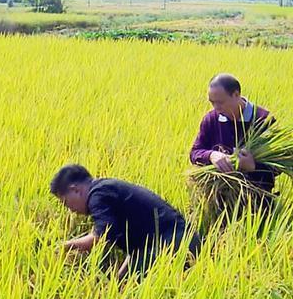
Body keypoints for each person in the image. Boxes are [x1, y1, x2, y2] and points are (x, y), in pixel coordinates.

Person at [52, 164, 201, 278]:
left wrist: (63, 247)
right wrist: (119, 280)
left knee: (137, 293)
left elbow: (102, 236)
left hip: (174, 243)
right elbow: (136, 250)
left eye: (66, 202)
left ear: (75, 190)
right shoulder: (106, 188)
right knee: (123, 288)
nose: (70, 210)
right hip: (180, 241)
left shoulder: (97, 195)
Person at [189, 73, 278, 210]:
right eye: (212, 102)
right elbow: (195, 153)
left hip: (256, 202)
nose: (216, 108)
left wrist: (254, 166)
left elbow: (279, 165)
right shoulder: (211, 119)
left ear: (236, 95)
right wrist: (212, 155)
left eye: (220, 102)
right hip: (218, 201)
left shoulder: (263, 120)